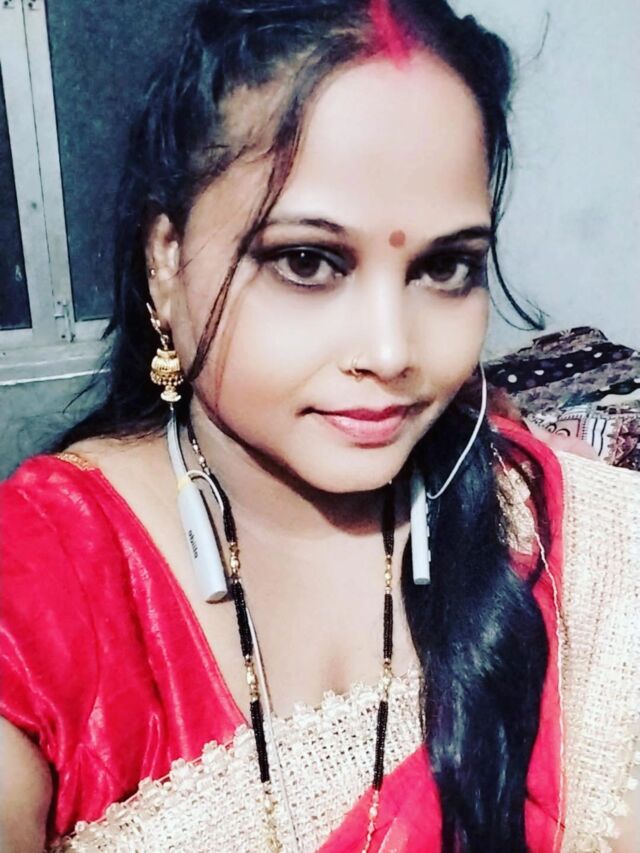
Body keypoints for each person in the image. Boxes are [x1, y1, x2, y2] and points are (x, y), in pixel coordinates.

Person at [1, 1, 638, 851]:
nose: (391, 351)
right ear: (165, 260)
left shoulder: (558, 534)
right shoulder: (42, 581)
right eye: (307, 261)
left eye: (445, 267)